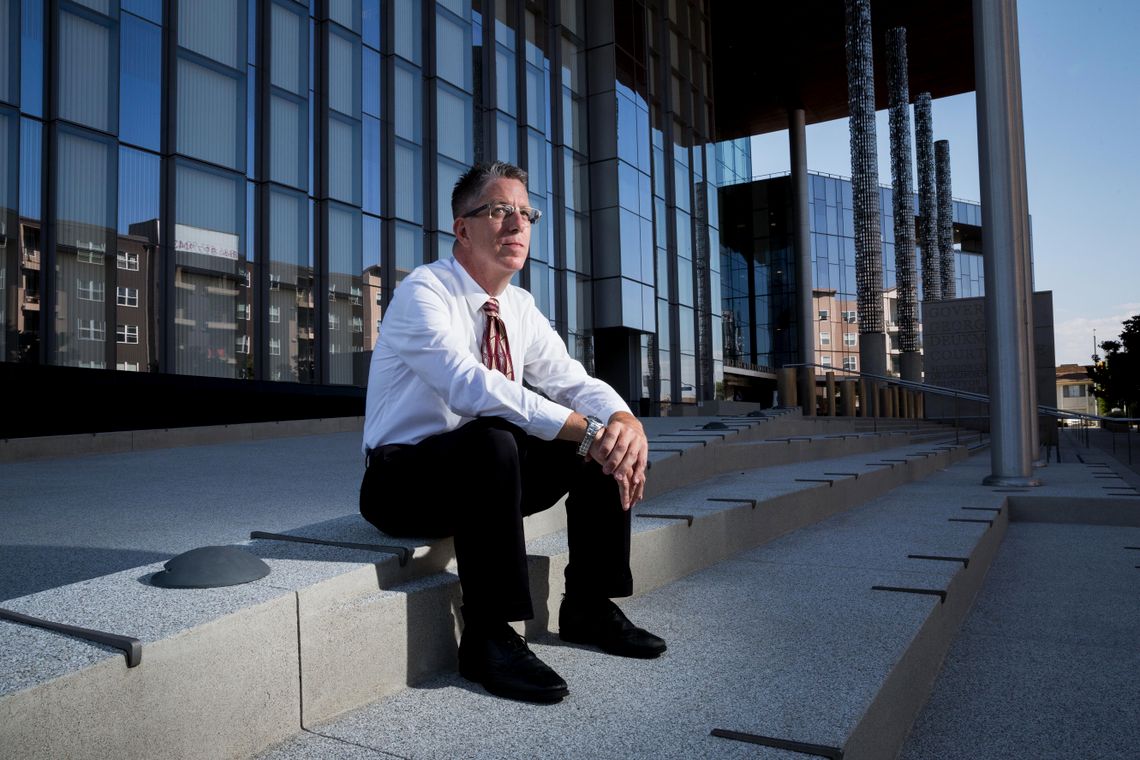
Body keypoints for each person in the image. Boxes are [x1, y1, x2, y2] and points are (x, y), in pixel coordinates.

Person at [359, 161, 665, 704]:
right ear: (463, 228)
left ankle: (589, 604)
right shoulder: (423, 291)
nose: (517, 226)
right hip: (402, 481)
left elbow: (571, 379)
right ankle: (488, 635)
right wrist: (582, 427)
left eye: (526, 214)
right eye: (500, 211)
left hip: (486, 479)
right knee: (498, 436)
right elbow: (467, 386)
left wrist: (621, 420)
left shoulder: (519, 307)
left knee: (601, 447)